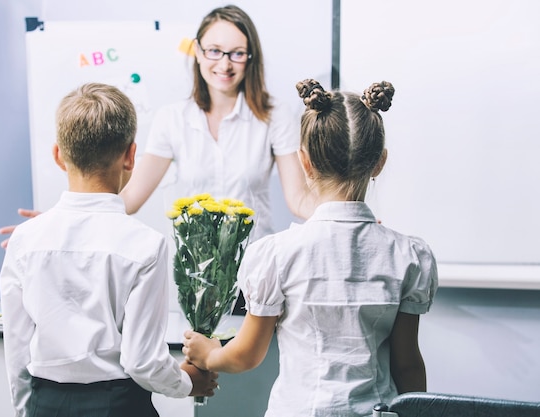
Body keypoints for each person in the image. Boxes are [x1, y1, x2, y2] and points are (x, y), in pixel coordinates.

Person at [181, 79, 439, 417]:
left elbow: (247, 354)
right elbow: (407, 364)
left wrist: (210, 355)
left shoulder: (276, 254)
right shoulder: (408, 256)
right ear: (379, 162)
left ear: (305, 163)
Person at [0, 4, 314, 248]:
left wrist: (346, 210)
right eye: (215, 51)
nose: (225, 63)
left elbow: (298, 201)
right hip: (197, 278)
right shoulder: (173, 119)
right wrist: (62, 221)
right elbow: (130, 199)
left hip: (254, 274)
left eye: (237, 53)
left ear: (251, 57)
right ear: (198, 52)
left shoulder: (274, 115)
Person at [0, 82, 217, 417]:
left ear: (58, 155)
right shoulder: (146, 245)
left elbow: (17, 352)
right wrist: (188, 382)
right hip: (119, 406)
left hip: (47, 405)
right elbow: (142, 361)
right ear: (131, 156)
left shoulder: (25, 240)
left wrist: (26, 411)